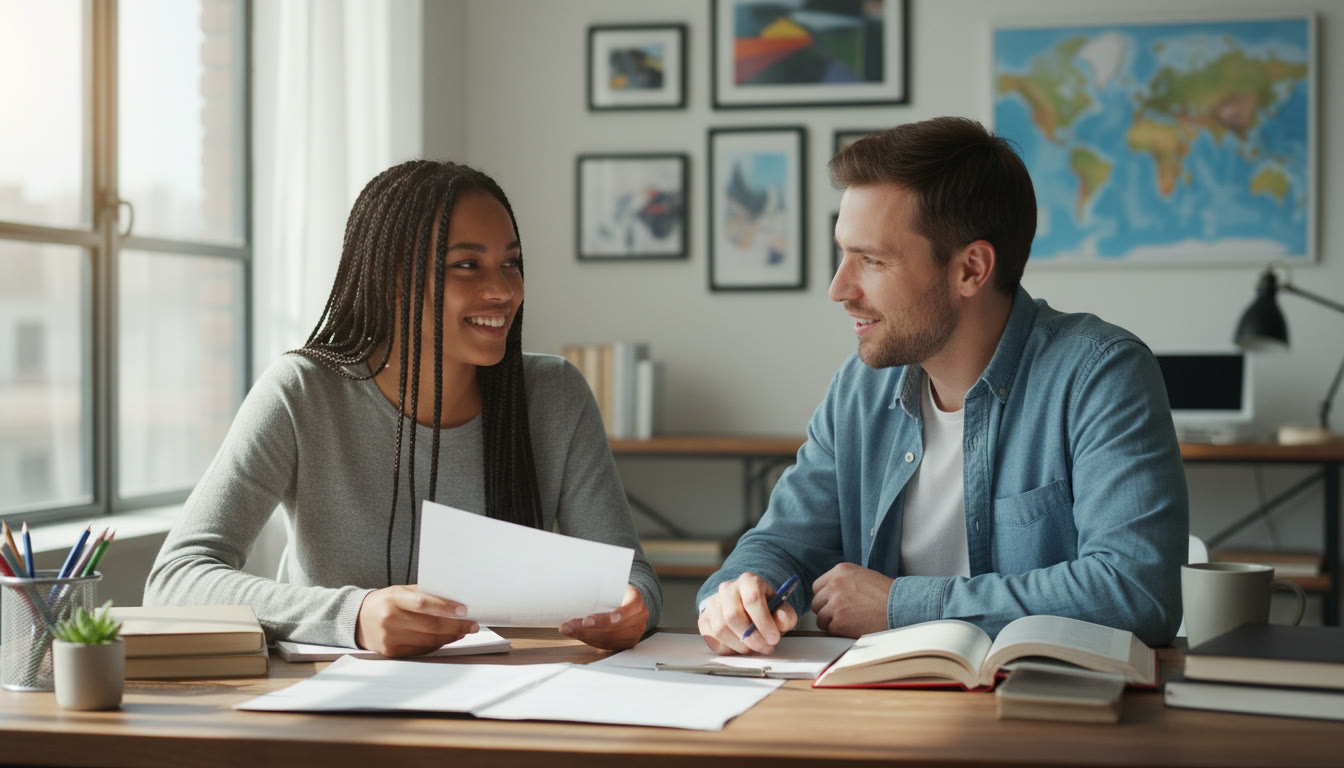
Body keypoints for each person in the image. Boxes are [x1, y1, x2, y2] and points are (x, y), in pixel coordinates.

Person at [696, 117, 1187, 655]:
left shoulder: (1100, 376)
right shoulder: (860, 390)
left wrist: (900, 606)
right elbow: (782, 543)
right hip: (878, 713)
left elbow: (1138, 594)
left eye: (872, 260)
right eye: (843, 254)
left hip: (1044, 719)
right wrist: (739, 592)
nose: (839, 288)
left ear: (971, 270)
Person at [146, 160, 661, 656]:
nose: (503, 290)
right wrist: (355, 615)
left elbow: (632, 578)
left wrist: (633, 609)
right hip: (337, 708)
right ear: (393, 277)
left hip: (517, 700)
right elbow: (175, 580)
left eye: (511, 263)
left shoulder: (556, 395)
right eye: (467, 265)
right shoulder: (302, 392)